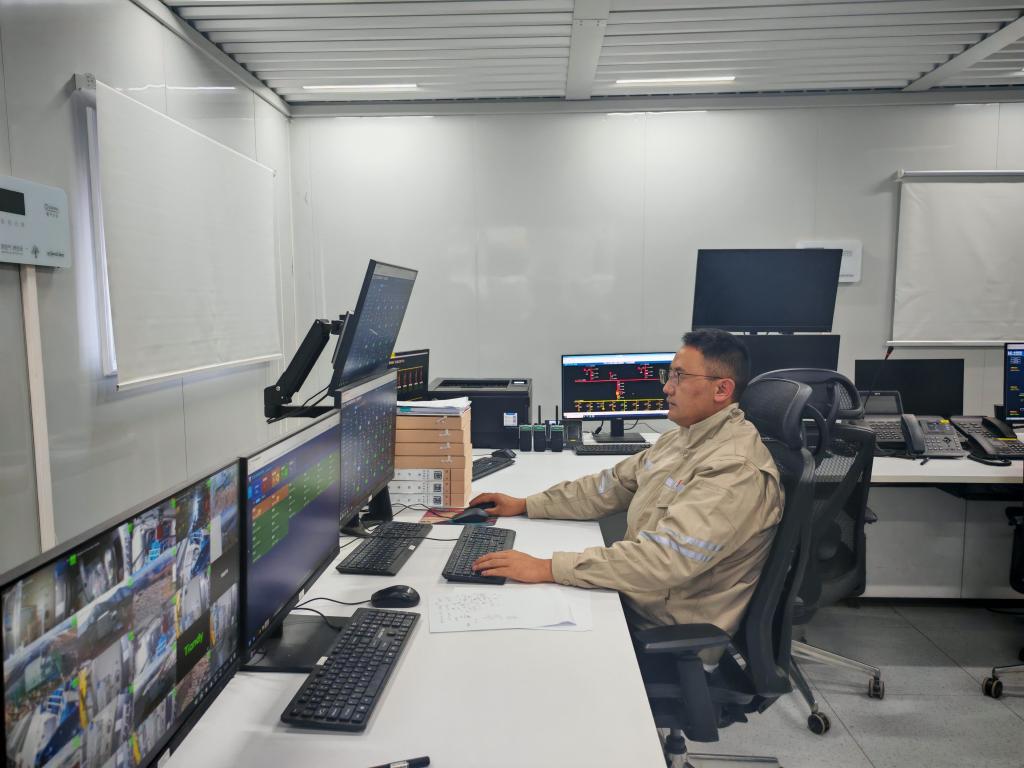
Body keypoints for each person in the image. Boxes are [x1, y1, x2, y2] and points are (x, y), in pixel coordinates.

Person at [470, 329, 783, 636]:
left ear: (722, 389)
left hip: (665, 626)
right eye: (669, 375)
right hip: (636, 597)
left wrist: (547, 568)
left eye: (679, 376)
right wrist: (526, 504)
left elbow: (664, 559)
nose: (667, 388)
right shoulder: (682, 439)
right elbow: (611, 486)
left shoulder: (733, 469)